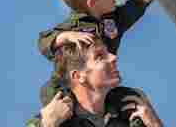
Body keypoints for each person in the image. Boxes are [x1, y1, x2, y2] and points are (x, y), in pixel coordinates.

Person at [38, 0, 176, 106]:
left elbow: (138, 3)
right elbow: (43, 41)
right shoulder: (73, 28)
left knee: (133, 100)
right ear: (92, 2)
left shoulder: (113, 22)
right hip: (62, 92)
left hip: (97, 89)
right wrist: (65, 37)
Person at [26, 37, 163, 127]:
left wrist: (155, 125)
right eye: (99, 56)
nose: (113, 57)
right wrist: (47, 124)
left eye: (108, 52)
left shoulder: (128, 109)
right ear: (78, 75)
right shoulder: (57, 117)